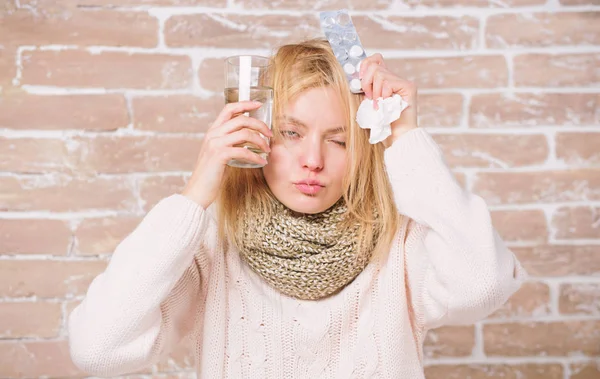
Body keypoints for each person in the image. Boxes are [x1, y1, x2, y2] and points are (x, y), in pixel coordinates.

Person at [68, 39, 526, 378]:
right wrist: (196, 194)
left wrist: (405, 137)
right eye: (291, 133)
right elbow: (97, 349)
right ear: (259, 130)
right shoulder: (211, 242)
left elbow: (483, 284)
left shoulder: (401, 241)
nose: (313, 159)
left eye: (339, 139)